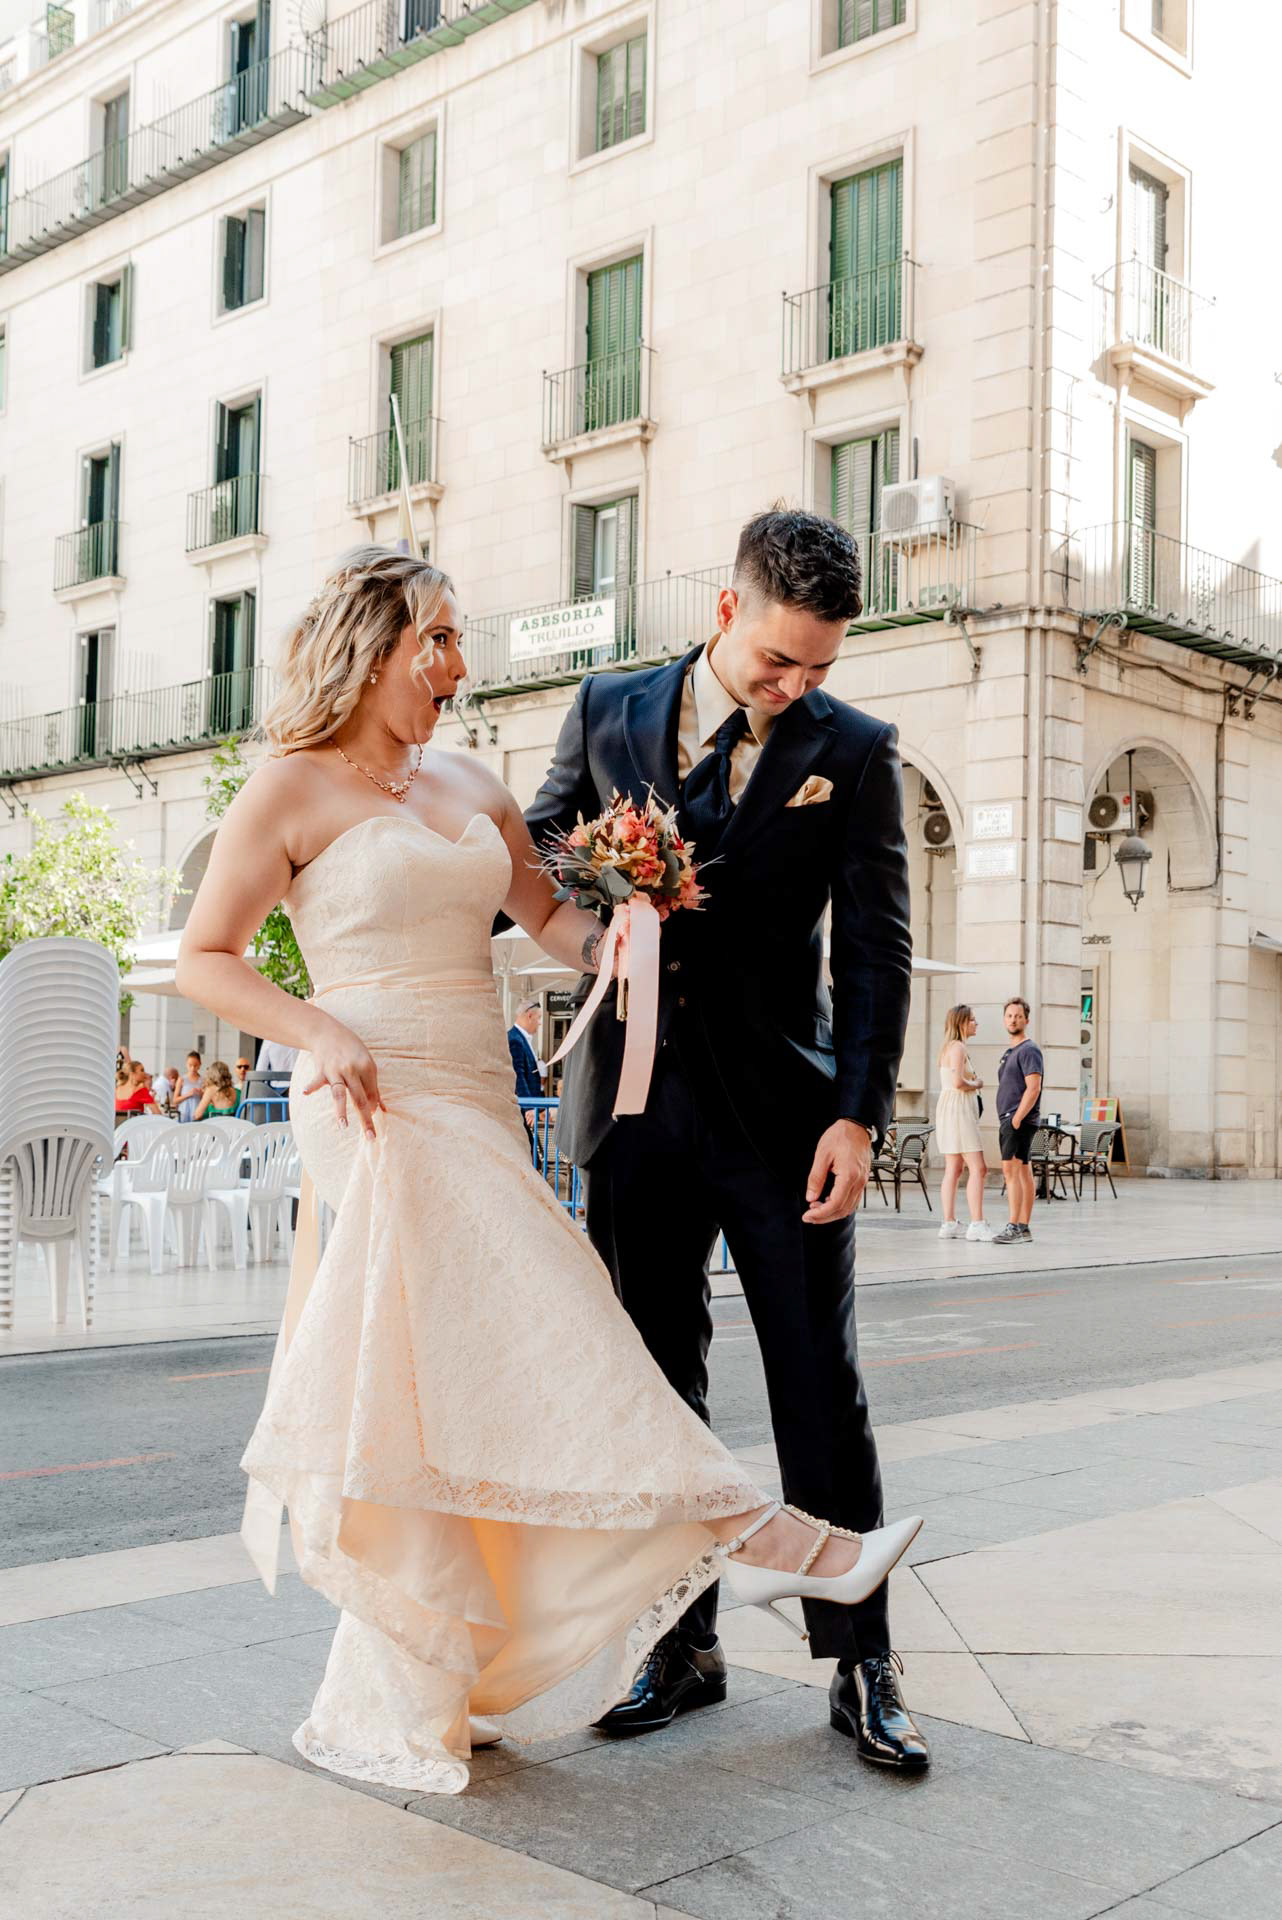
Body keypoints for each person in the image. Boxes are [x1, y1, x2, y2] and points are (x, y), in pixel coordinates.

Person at [174, 544, 921, 1799]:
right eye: (441, 641)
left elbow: (554, 913)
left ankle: (457, 1664)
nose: (461, 666)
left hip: (538, 1099)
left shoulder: (471, 778)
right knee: (580, 1331)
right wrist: (317, 1029)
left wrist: (636, 927)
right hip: (379, 1096)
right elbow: (213, 955)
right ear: (374, 645)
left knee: (467, 1381)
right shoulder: (297, 786)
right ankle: (753, 1555)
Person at [524, 509, 927, 1770]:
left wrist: (857, 1113)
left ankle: (861, 1662)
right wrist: (602, 893)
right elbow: (533, 845)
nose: (795, 685)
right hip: (634, 1112)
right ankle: (679, 1643)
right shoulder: (607, 707)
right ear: (724, 611)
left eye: (819, 666)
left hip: (785, 1123)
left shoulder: (854, 751)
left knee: (818, 1384)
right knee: (654, 1389)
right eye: (776, 659)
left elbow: (876, 950)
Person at [935, 1005, 994, 1242]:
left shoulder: (947, 1047)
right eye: (972, 1020)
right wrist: (977, 1083)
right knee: (978, 1168)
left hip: (950, 1109)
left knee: (954, 1167)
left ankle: (949, 1223)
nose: (976, 1024)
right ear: (961, 1023)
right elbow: (958, 1082)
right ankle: (977, 1223)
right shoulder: (958, 1047)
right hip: (959, 1110)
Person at [993, 997, 1043, 1245]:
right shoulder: (1011, 1052)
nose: (1013, 1020)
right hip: (1012, 1119)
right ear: (1005, 1020)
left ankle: (1014, 1226)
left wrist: (1016, 1119)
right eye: (1010, 1016)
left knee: (1011, 1172)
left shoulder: (1029, 1049)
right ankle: (1023, 1228)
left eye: (1018, 1016)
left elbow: (1033, 1088)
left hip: (1018, 1120)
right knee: (1022, 1171)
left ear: (1027, 1020)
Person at [507, 998, 544, 1126]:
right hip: (522, 1110)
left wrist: (540, 1109)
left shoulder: (519, 1038)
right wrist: (529, 1107)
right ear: (529, 1016)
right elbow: (518, 1076)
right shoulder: (515, 1040)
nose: (540, 1023)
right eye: (539, 1018)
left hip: (526, 1109)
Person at [176, 1052, 203, 1123]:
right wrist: (189, 1094)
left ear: (200, 1065)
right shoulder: (181, 1079)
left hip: (197, 1114)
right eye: (190, 1065)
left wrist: (200, 1094)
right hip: (183, 1114)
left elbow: (206, 1100)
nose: (193, 1068)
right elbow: (175, 1100)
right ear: (186, 1064)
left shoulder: (203, 1080)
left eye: (195, 1065)